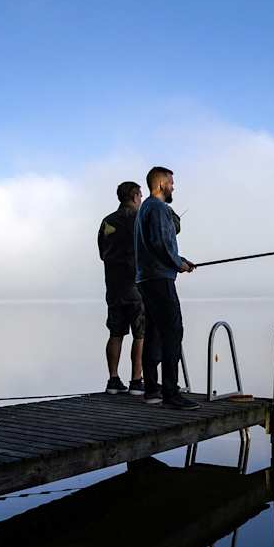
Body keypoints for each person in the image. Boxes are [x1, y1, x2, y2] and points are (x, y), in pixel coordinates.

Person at [134, 166, 200, 410]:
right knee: (173, 331)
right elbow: (161, 244)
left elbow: (156, 245)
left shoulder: (145, 209)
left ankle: (152, 389)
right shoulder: (159, 208)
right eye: (171, 182)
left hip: (146, 279)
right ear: (160, 184)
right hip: (159, 279)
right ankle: (171, 393)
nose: (173, 187)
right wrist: (177, 263)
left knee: (154, 332)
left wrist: (181, 259)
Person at [98, 181, 145, 396]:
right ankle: (136, 381)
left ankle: (113, 380)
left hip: (113, 288)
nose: (141, 200)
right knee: (140, 334)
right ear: (135, 196)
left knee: (115, 333)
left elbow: (102, 253)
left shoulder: (107, 222)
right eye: (140, 197)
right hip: (135, 286)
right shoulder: (138, 219)